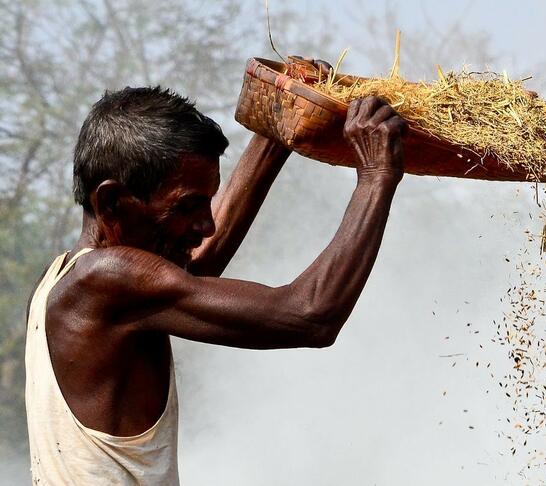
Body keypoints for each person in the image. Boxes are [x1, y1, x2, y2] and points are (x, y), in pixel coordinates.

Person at [25, 64, 407, 484]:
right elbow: (310, 315)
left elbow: (195, 267)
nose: (205, 225)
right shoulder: (108, 279)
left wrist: (278, 132)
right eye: (187, 206)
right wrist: (376, 176)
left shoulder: (61, 278)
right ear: (114, 203)